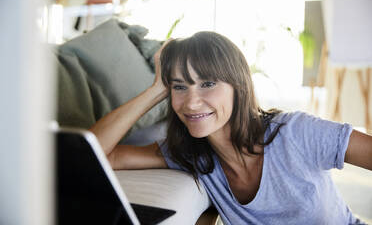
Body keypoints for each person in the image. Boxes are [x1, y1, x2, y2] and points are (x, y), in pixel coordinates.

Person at [89, 31, 372, 225]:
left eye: (208, 83)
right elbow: (100, 154)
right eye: (179, 86)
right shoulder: (193, 157)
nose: (192, 102)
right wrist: (155, 90)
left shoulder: (297, 133)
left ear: (238, 86)